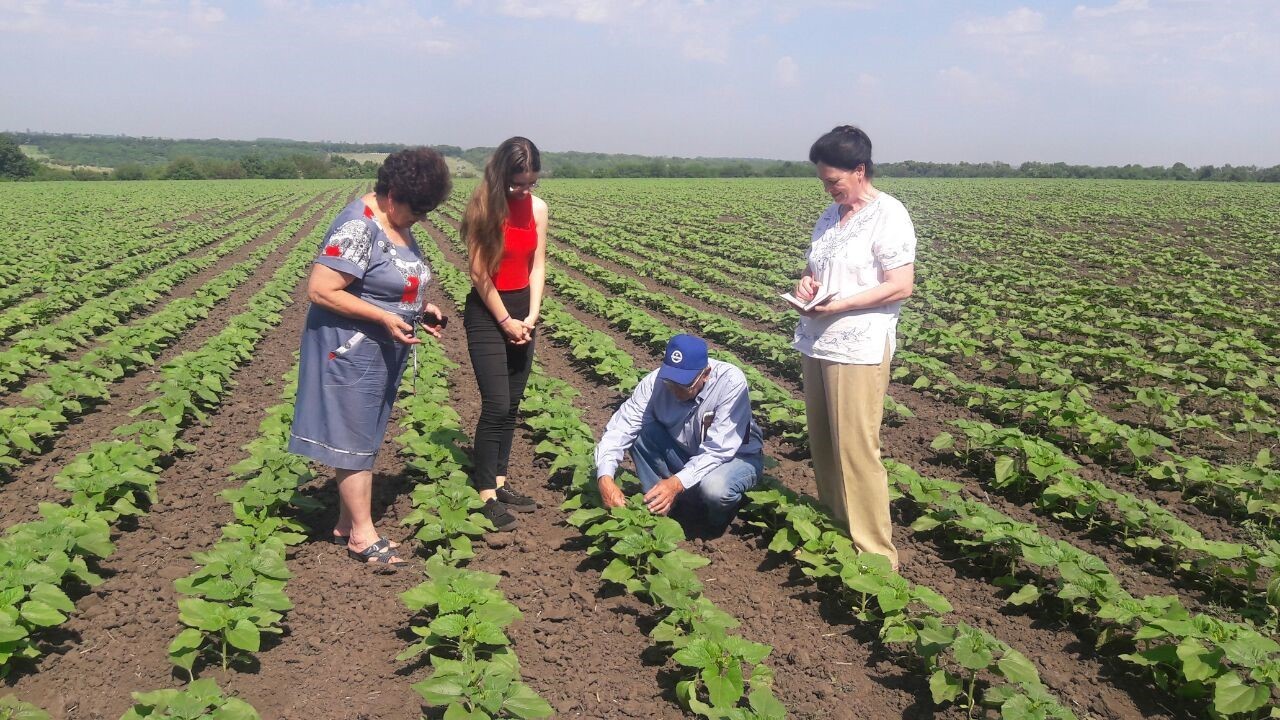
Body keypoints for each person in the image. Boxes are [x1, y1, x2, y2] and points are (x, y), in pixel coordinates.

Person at [288, 148, 452, 566]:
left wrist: (419, 309)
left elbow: (384, 281)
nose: (422, 219)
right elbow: (322, 289)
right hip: (348, 348)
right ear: (393, 194)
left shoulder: (392, 220)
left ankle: (346, 522)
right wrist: (384, 316)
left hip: (378, 347)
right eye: (417, 210)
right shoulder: (358, 226)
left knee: (363, 433)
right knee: (354, 435)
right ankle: (362, 535)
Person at [792, 125, 916, 570]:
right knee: (823, 444)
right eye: (824, 181)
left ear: (859, 170)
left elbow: (901, 285)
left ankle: (876, 556)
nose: (828, 189)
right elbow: (815, 269)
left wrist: (841, 304)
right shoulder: (829, 217)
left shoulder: (889, 215)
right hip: (818, 339)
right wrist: (806, 285)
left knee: (857, 449)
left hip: (859, 347)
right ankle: (836, 527)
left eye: (834, 181)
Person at [595, 334, 765, 537]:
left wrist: (677, 482)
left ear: (706, 374)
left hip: (734, 457)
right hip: (687, 453)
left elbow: (718, 451)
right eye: (670, 382)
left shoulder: (730, 382)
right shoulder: (654, 382)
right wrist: (604, 477)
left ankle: (715, 522)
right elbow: (620, 429)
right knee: (641, 431)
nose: (675, 391)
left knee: (714, 489)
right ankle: (659, 505)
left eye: (684, 385)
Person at [460, 137, 547, 531]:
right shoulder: (483, 208)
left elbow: (536, 265)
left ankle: (500, 479)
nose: (524, 191)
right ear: (500, 176)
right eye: (517, 184)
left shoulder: (539, 209)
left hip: (522, 312)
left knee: (512, 404)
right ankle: (484, 494)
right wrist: (505, 321)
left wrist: (530, 315)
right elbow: (479, 274)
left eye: (530, 183)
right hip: (487, 312)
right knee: (495, 403)